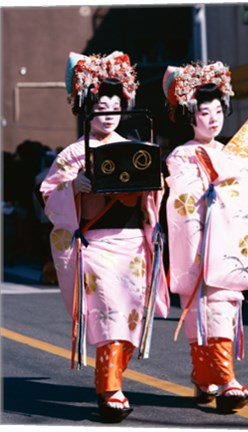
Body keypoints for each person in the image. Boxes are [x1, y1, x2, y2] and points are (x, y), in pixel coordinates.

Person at [40, 51, 169, 422]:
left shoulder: (136, 147)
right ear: (86, 107)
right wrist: (74, 187)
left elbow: (153, 198)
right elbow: (49, 196)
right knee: (110, 311)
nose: (109, 110)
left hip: (133, 245)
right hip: (96, 244)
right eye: (101, 103)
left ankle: (110, 378)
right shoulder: (73, 153)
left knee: (130, 315)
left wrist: (157, 181)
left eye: (116, 103)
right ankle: (110, 388)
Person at [162, 62, 248, 413]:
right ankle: (225, 380)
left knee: (225, 307)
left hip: (227, 243)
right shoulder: (181, 155)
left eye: (219, 110)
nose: (213, 118)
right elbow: (184, 202)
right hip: (201, 246)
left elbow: (244, 195)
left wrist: (234, 176)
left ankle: (205, 376)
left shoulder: (229, 152)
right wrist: (229, 176)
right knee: (208, 310)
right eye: (205, 111)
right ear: (190, 116)